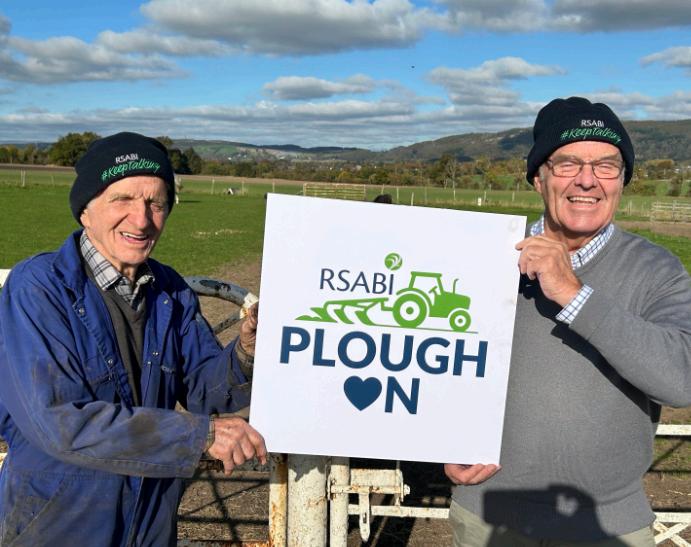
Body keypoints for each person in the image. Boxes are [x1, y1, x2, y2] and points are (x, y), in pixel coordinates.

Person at [0, 132, 267, 546]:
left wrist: (246, 351)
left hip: (149, 523)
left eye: (156, 203)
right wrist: (200, 435)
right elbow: (58, 420)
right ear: (85, 210)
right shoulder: (39, 288)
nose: (141, 220)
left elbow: (205, 392)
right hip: (60, 523)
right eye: (122, 199)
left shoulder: (171, 290)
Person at [445, 97, 691, 546]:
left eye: (607, 166)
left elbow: (681, 381)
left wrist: (574, 295)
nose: (587, 180)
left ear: (622, 181)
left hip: (607, 525)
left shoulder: (658, 270)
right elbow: (436, 357)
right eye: (568, 163)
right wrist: (443, 437)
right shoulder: (485, 257)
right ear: (538, 178)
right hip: (487, 512)